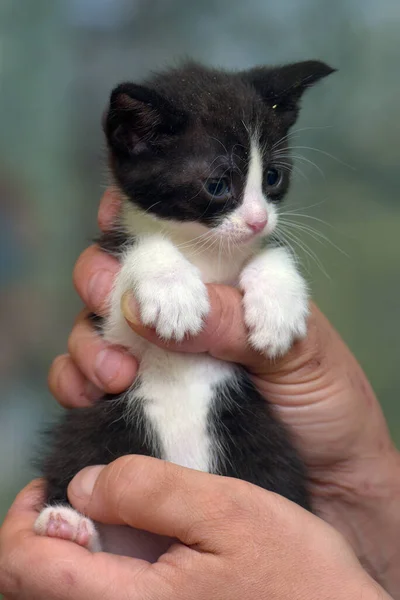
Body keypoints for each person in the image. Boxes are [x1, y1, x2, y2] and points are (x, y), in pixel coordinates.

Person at [0, 190, 399, 599]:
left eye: (272, 179)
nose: (259, 214)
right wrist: (357, 484)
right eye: (218, 184)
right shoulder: (155, 246)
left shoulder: (246, 251)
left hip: (241, 474)